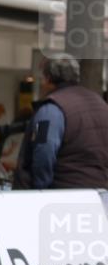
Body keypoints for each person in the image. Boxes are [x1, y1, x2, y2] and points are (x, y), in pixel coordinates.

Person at [14, 53, 108, 189]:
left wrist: (41, 189)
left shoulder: (51, 109)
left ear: (48, 79)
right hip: (100, 193)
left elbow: (43, 152)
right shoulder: (101, 104)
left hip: (63, 193)